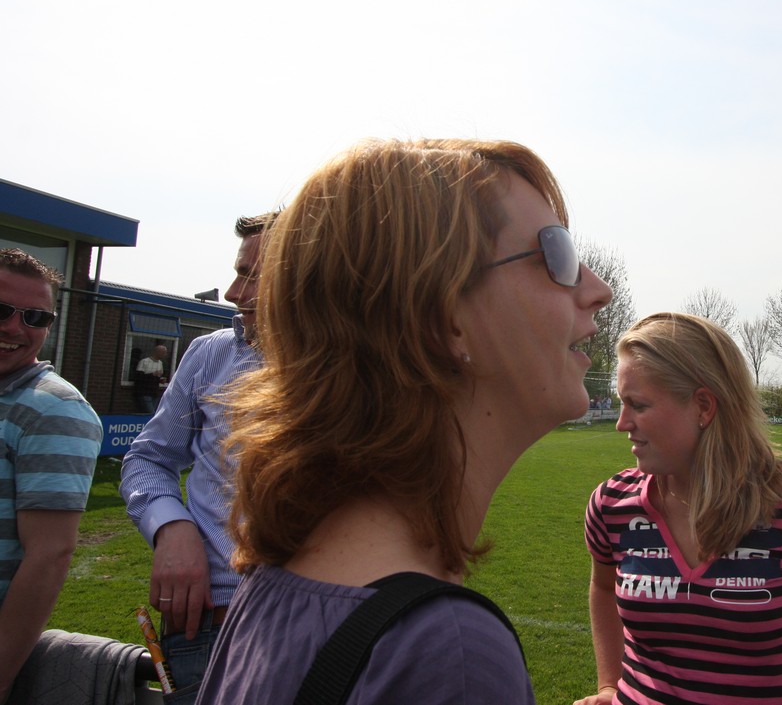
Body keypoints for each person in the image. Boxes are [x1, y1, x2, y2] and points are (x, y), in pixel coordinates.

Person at [195, 138, 612, 703]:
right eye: (556, 253)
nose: (599, 290)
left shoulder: (276, 576)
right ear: (444, 314)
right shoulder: (448, 653)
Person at [576, 313, 782, 705]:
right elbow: (603, 587)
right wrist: (609, 685)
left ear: (703, 406)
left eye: (637, 405)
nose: (622, 423)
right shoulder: (611, 505)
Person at [120, 212, 279, 704]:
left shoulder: (363, 367)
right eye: (238, 272)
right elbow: (149, 458)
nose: (232, 292)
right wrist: (172, 529)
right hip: (206, 626)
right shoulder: (212, 353)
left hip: (317, 623)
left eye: (255, 276)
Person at [0, 249, 103, 701]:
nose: (15, 328)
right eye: (2, 310)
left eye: (36, 317)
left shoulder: (54, 410)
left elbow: (49, 555)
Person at [134, 341, 168, 413]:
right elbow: (138, 377)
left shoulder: (160, 363)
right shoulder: (144, 361)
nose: (165, 355)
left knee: (152, 413)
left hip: (154, 393)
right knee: (151, 413)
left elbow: (157, 377)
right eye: (163, 352)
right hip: (144, 392)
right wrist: (153, 374)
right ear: (157, 352)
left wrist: (161, 380)